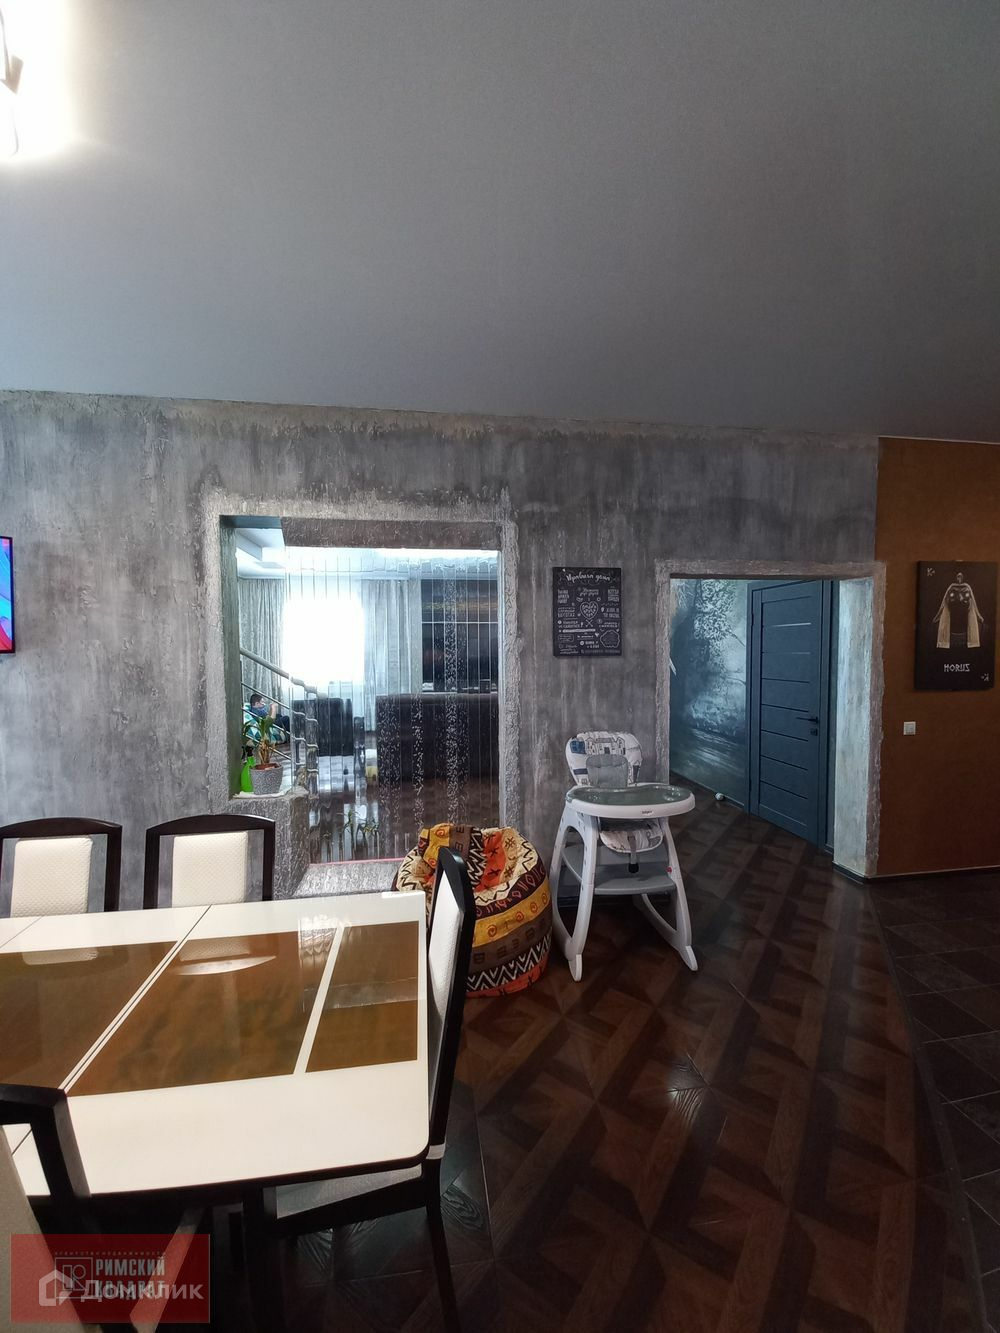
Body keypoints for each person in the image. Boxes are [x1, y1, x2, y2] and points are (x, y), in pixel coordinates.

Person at [933, 571, 985, 649]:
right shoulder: (935, 629)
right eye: (953, 594)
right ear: (947, 600)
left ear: (971, 601)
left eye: (965, 594)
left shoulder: (983, 629)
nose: (960, 599)